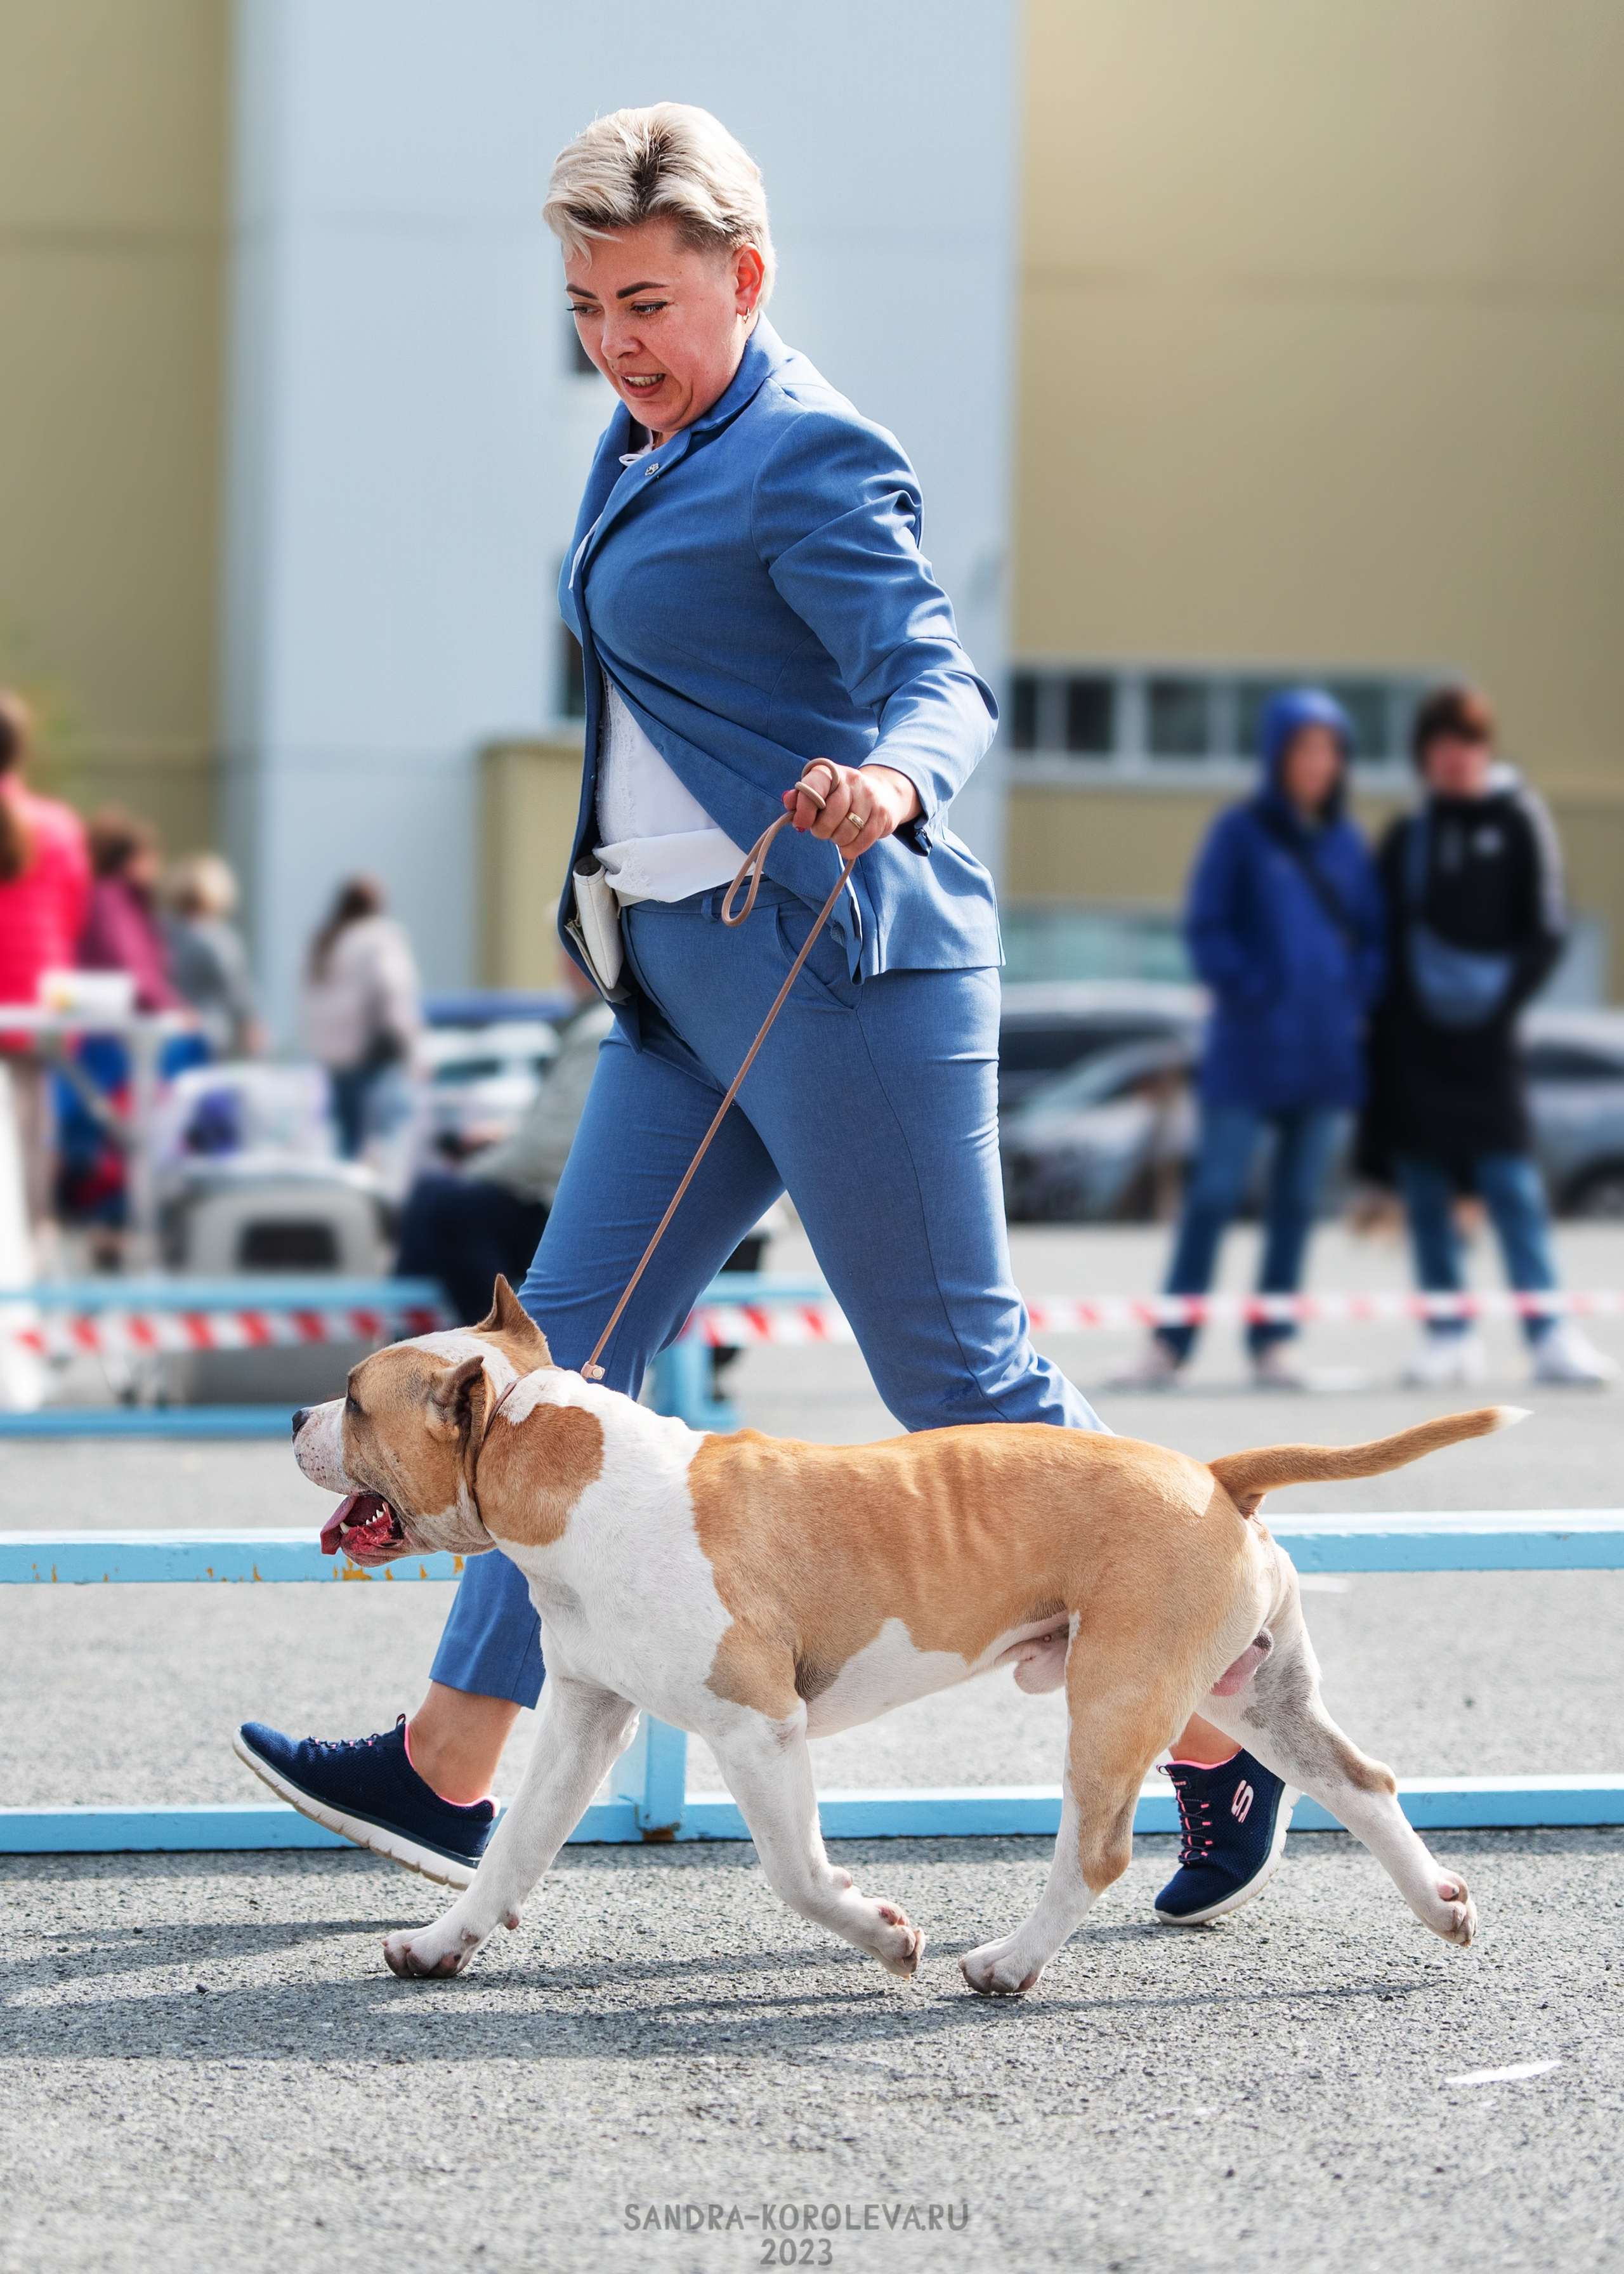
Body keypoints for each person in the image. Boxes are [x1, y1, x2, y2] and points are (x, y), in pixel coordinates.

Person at [237, 103, 1283, 1931]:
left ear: (749, 275)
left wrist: (893, 775)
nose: (617, 339)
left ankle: (1216, 1728)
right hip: (681, 993)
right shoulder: (640, 446)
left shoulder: (809, 450)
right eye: (585, 305)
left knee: (962, 1385)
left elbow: (931, 670)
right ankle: (449, 1767)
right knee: (539, 1381)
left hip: (847, 970)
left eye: (649, 298)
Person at [1116, 689, 1384, 1393]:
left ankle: (1274, 1344)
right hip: (1247, 1049)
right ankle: (1168, 1346)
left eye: (1330, 750)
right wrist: (1256, 985)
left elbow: (1375, 938)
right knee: (1214, 1194)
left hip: (1325, 1056)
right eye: (1305, 747)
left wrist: (1349, 992)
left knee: (1297, 1204)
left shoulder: (1346, 842)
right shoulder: (1239, 833)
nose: (1318, 763)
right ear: (1278, 753)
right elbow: (1206, 928)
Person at [1363, 686, 1613, 1388]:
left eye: (1466, 743)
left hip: (1491, 1041)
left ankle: (1549, 1333)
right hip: (1414, 1042)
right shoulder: (1409, 832)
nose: (1454, 757)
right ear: (1424, 755)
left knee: (1512, 1186)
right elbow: (1381, 931)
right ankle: (1448, 1335)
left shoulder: (1521, 818)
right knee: (1424, 1187)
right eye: (1441, 744)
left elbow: (1549, 926)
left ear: (1485, 750)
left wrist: (1502, 1001)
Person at [394, 951, 613, 1324]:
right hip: (574, 1206)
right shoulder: (597, 1026)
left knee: (445, 1208)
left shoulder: (596, 1030)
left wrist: (475, 1169)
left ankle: (492, 1346)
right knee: (439, 1204)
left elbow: (548, 1148)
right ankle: (437, 1346)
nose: (564, 962)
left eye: (571, 948)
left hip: (570, 1214)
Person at [0, 691, 91, 1245]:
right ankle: (36, 1234)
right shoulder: (56, 825)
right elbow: (74, 909)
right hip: (39, 998)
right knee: (34, 1123)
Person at [301, 877, 421, 1159]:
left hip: (336, 1057)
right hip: (373, 1056)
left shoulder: (325, 940)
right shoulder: (377, 939)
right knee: (385, 1140)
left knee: (346, 1142)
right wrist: (414, 1048)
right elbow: (392, 997)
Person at [77, 809, 183, 1013]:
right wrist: (169, 1006)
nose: (156, 868)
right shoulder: (113, 902)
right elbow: (127, 965)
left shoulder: (116, 899)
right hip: (114, 1023)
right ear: (133, 860)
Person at [163, 852, 263, 1059]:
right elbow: (236, 989)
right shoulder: (217, 939)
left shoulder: (162, 929)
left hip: (165, 1028)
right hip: (205, 1032)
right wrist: (251, 1023)